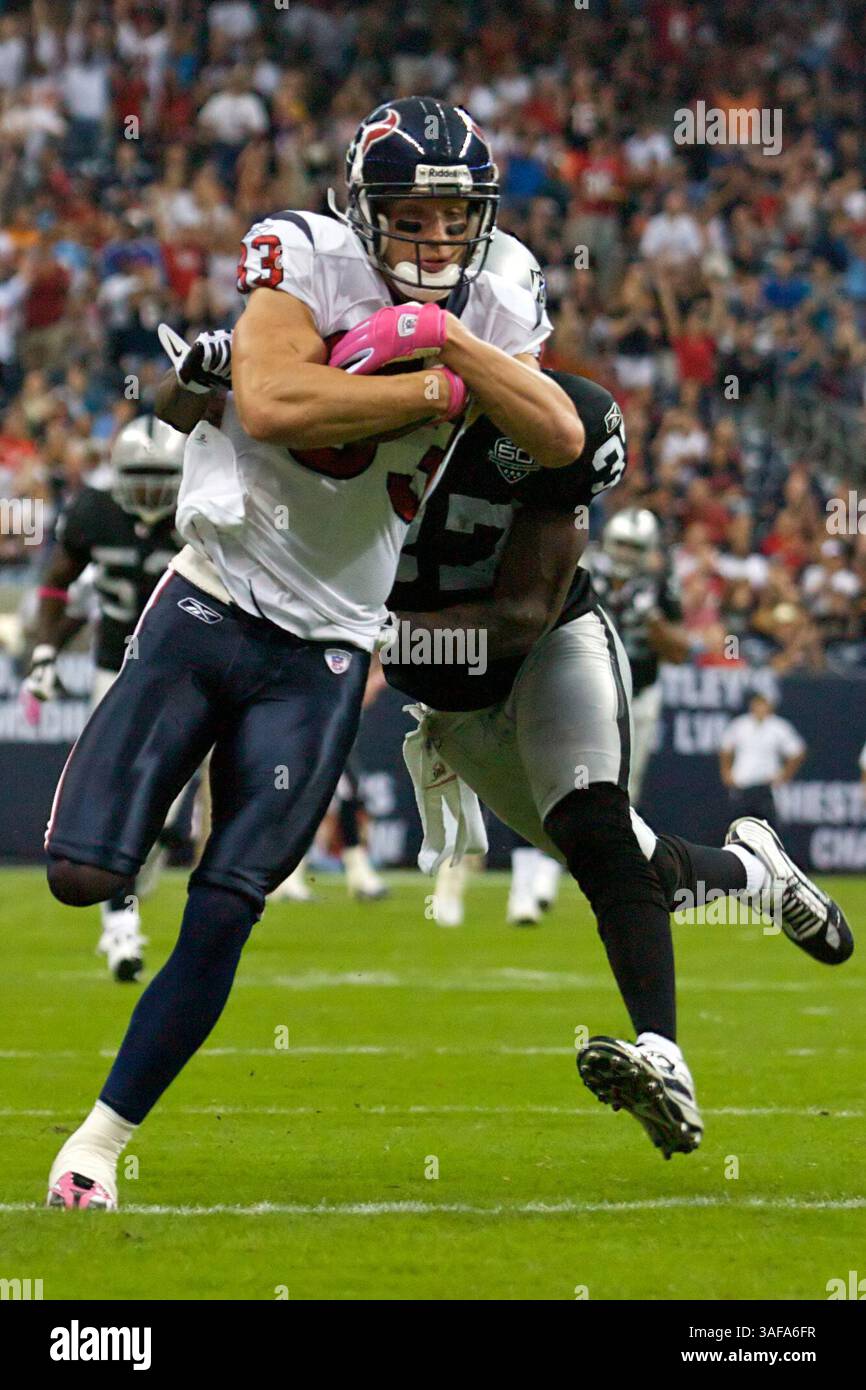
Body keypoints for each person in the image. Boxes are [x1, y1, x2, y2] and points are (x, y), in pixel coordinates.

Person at [44, 97, 583, 1210]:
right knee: (83, 873)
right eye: (412, 218)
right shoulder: (310, 256)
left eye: (454, 219)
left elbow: (561, 434)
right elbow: (275, 399)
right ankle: (118, 897)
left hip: (329, 646)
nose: (435, 242)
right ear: (362, 209)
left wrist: (446, 337)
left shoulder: (496, 290)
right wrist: (434, 388)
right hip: (212, 602)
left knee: (231, 898)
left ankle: (95, 1147)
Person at [383, 244, 853, 1162]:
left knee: (600, 839)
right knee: (626, 860)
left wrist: (379, 641)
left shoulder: (563, 425)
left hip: (545, 648)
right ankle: (756, 876)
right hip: (452, 703)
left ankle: (664, 1057)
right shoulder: (374, 417)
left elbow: (520, 616)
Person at [23, 415, 186, 980]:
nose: (147, 490)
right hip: (114, 666)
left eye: (158, 477)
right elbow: (58, 585)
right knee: (121, 797)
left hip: (186, 671)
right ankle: (121, 930)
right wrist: (44, 654)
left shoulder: (200, 509)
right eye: (135, 476)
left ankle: (133, 882)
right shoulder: (94, 511)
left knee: (167, 818)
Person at [719, 692, 806, 827]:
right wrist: (726, 773)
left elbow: (797, 752)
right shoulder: (740, 725)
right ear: (752, 706)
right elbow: (725, 748)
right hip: (742, 784)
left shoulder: (779, 727)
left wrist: (785, 775)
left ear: (769, 706)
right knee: (737, 827)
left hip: (766, 787)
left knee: (769, 829)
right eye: (757, 705)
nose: (760, 708)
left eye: (763, 705)